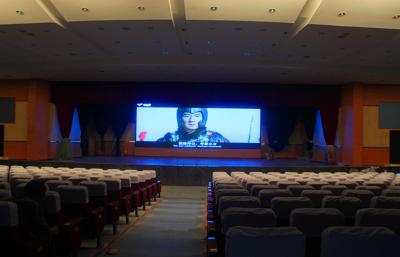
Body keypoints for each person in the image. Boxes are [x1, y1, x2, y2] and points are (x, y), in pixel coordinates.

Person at [16, 180, 59, 257]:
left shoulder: (12, 201)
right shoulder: (32, 205)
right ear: (41, 194)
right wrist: (52, 230)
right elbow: (43, 229)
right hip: (28, 241)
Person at [157, 107, 229, 144]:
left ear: (204, 117)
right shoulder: (170, 138)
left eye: (197, 116)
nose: (192, 119)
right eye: (187, 115)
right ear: (180, 117)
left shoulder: (214, 137)